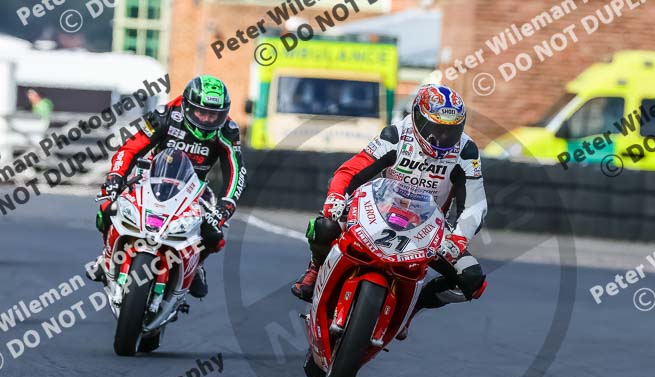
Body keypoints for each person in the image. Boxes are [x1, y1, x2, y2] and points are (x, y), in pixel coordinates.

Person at [291, 83, 488, 339]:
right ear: (417, 118)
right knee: (323, 226)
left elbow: (475, 204)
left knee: (473, 280)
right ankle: (316, 269)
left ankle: (412, 309)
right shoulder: (396, 135)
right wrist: (336, 198)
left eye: (450, 130)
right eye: (435, 127)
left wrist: (458, 239)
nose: (441, 137)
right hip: (378, 213)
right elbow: (350, 170)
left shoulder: (466, 151)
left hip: (427, 229)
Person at [90, 76, 246, 298]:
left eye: (214, 115)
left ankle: (196, 266)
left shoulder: (227, 130)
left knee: (214, 235)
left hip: (195, 189)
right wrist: (115, 178)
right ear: (187, 106)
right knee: (108, 207)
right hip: (152, 177)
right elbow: (130, 148)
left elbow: (237, 172)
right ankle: (106, 256)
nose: (207, 120)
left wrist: (225, 207)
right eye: (201, 112)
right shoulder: (165, 115)